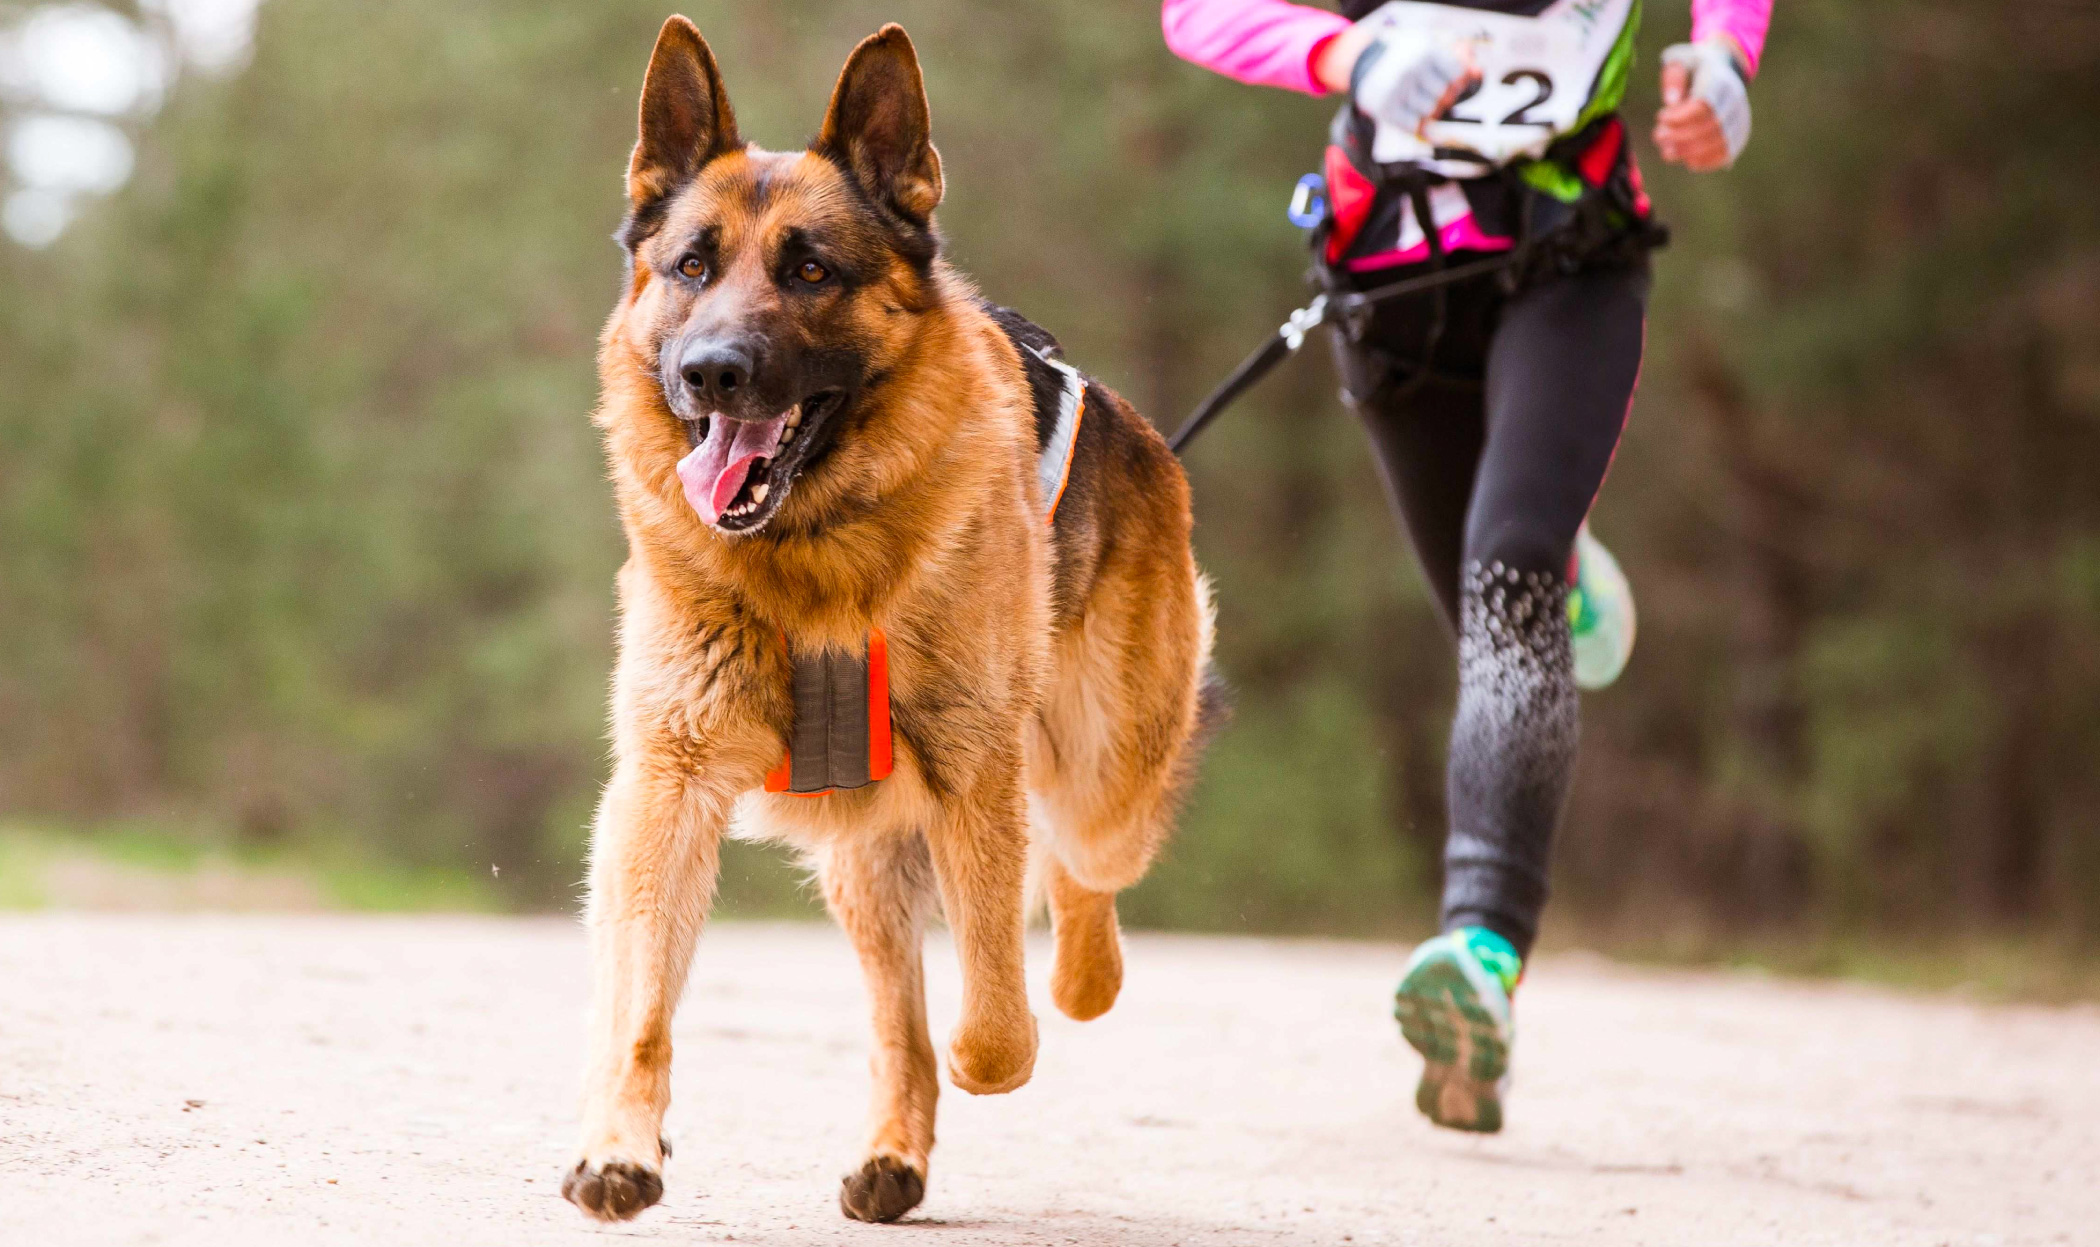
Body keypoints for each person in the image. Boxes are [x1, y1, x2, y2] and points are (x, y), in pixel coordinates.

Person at [1162, 0, 1770, 1132]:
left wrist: (1729, 55)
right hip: (1393, 291)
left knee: (1509, 588)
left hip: (1571, 261)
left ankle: (1482, 946)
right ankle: (1552, 551)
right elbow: (1193, 14)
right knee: (1489, 612)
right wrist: (1349, 53)